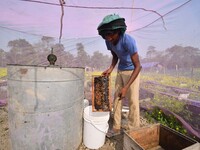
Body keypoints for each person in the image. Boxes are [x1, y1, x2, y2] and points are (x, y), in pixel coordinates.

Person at [97, 14, 142, 137]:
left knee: (132, 100)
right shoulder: (109, 41)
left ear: (118, 32)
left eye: (111, 34)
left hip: (132, 71)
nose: (108, 37)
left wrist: (126, 87)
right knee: (117, 98)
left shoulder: (128, 41)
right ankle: (116, 127)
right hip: (120, 70)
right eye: (106, 35)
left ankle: (134, 129)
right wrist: (111, 68)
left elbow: (138, 66)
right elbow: (115, 55)